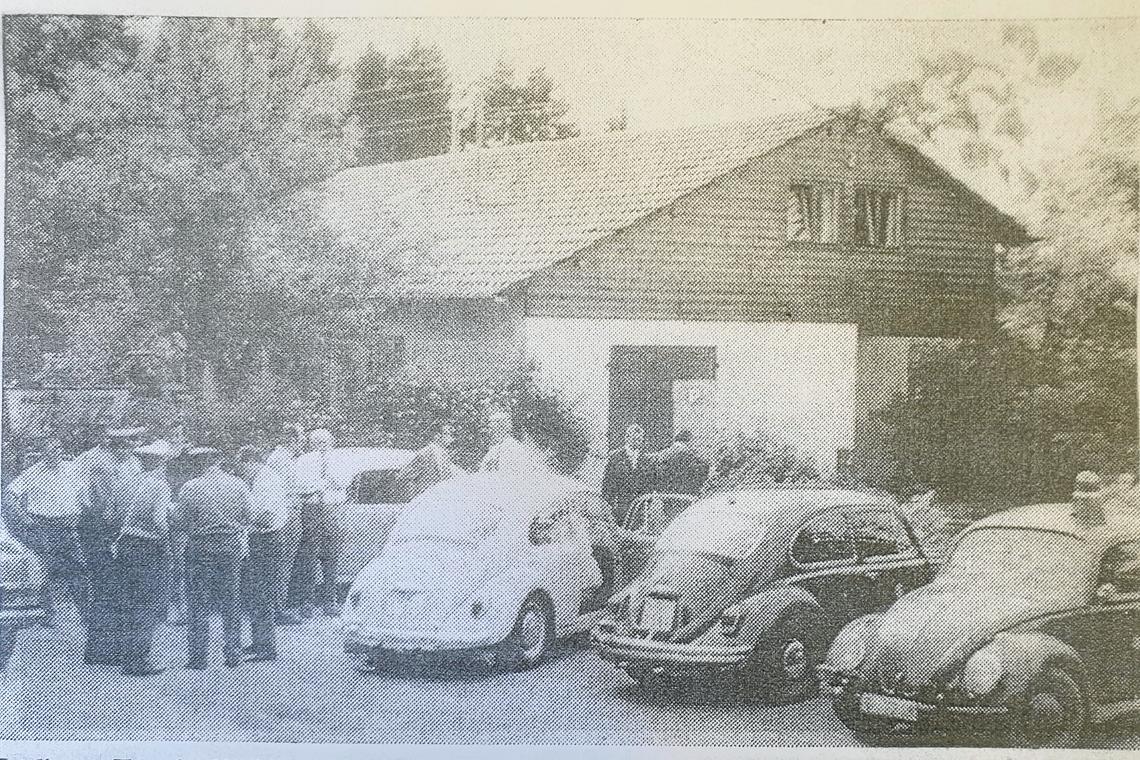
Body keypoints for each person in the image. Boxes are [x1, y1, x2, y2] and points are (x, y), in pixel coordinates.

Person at [172, 447, 251, 669]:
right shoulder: (238, 485)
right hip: (230, 547)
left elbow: (179, 522)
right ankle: (233, 653)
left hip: (201, 547)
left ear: (198, 464)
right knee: (231, 601)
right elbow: (248, 516)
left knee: (198, 603)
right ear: (218, 461)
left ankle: (198, 657)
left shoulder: (191, 487)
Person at [73, 425, 145, 663]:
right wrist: (99, 516)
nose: (129, 447)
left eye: (131, 443)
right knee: (106, 590)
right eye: (125, 444)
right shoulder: (93, 462)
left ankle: (113, 649)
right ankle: (100, 651)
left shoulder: (132, 464)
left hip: (121, 531)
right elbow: (84, 496)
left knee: (121, 591)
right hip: (99, 530)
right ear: (115, 443)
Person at [5, 437, 89, 628]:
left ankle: (86, 614)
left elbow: (83, 494)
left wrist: (85, 511)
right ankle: (48, 613)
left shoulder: (73, 468)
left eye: (58, 449)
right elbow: (10, 496)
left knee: (79, 570)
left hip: (69, 526)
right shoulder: (33, 472)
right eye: (50, 450)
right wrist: (24, 518)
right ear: (42, 453)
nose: (55, 453)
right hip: (44, 527)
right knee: (44, 570)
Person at [110, 440, 174, 676]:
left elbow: (112, 514)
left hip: (125, 544)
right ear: (161, 462)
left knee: (127, 602)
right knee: (147, 604)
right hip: (147, 547)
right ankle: (138, 660)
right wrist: (167, 538)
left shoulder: (127, 482)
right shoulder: (159, 486)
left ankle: (122, 654)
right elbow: (159, 520)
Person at [238, 446, 289, 662]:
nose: (242, 471)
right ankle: (259, 640)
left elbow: (266, 516)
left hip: (267, 540)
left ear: (251, 462)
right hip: (261, 539)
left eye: (242, 466)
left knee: (263, 594)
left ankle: (266, 647)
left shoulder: (267, 481)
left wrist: (242, 523)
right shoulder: (261, 479)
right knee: (255, 594)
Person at [293, 430, 347, 618]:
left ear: (332, 443)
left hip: (332, 509)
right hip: (311, 509)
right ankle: (307, 602)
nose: (322, 446)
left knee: (331, 557)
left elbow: (344, 483)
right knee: (308, 558)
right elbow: (300, 486)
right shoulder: (304, 461)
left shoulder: (339, 459)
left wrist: (329, 478)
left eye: (325, 442)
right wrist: (318, 485)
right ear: (312, 444)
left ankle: (330, 602)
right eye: (318, 442)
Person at [266, 425, 306, 625]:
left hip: (290, 510)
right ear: (292, 440)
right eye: (301, 439)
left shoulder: (286, 459)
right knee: (282, 561)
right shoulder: (280, 460)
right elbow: (294, 486)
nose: (302, 443)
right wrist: (317, 485)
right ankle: (276, 609)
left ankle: (278, 606)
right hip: (286, 512)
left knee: (285, 561)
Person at [600, 423, 654, 525]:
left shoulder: (646, 459)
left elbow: (649, 484)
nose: (637, 442)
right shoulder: (615, 457)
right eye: (634, 439)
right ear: (627, 438)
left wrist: (647, 506)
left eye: (639, 440)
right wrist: (607, 510)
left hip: (639, 510)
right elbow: (607, 486)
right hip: (620, 508)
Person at [397, 422, 463, 501]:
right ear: (437, 436)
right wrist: (413, 498)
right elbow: (404, 475)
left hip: (439, 498)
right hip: (425, 498)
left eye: (452, 434)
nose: (451, 438)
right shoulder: (426, 452)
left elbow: (453, 475)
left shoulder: (443, 453)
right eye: (448, 433)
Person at [651, 429, 710, 497]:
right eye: (693, 440)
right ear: (688, 440)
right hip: (682, 490)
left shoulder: (669, 451)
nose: (694, 443)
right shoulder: (684, 451)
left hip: (665, 488)